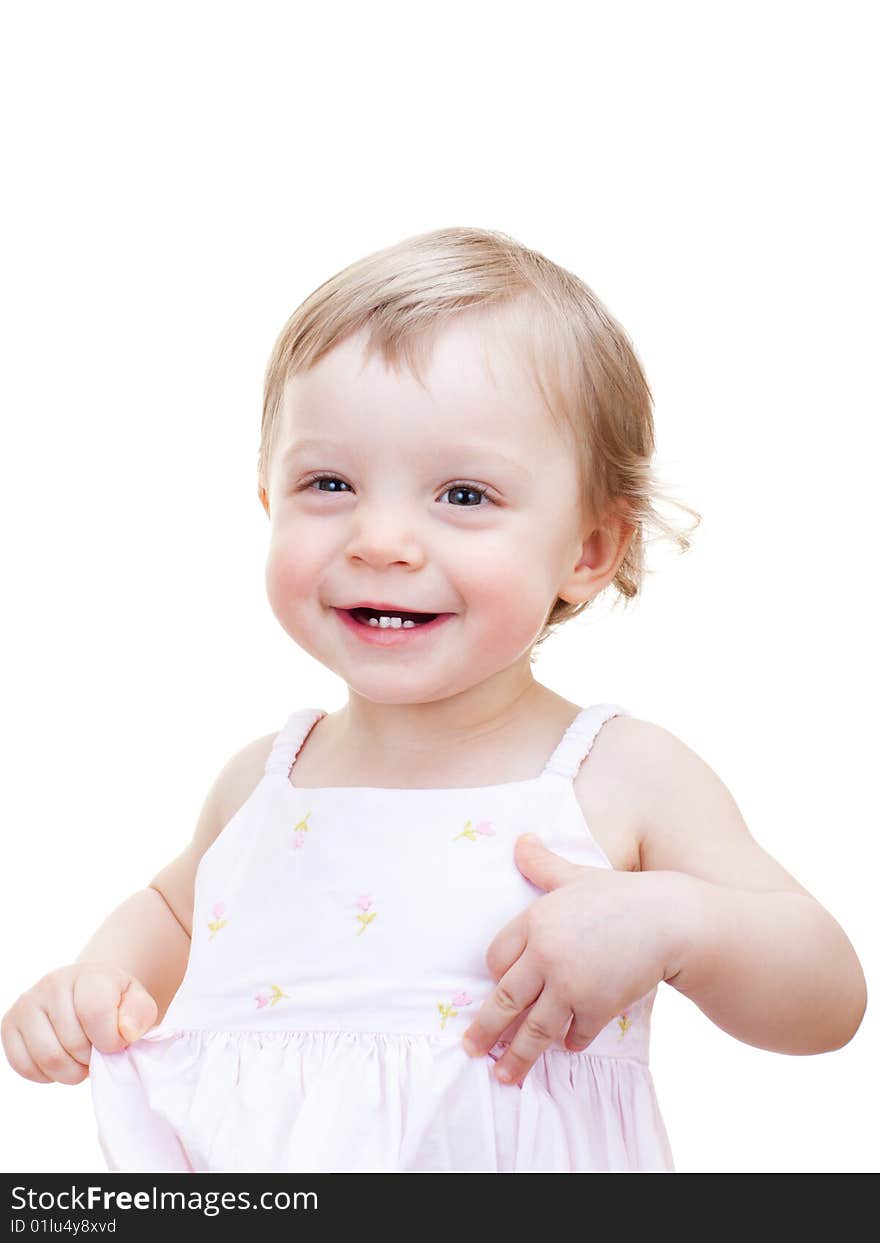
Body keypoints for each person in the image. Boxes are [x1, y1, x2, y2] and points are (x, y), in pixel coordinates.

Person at [1, 227, 867, 1173]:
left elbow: (829, 996)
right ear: (267, 502)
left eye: (462, 493)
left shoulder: (615, 775)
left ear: (587, 551)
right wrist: (96, 981)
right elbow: (170, 913)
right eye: (328, 482)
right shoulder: (262, 780)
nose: (381, 539)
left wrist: (677, 922)